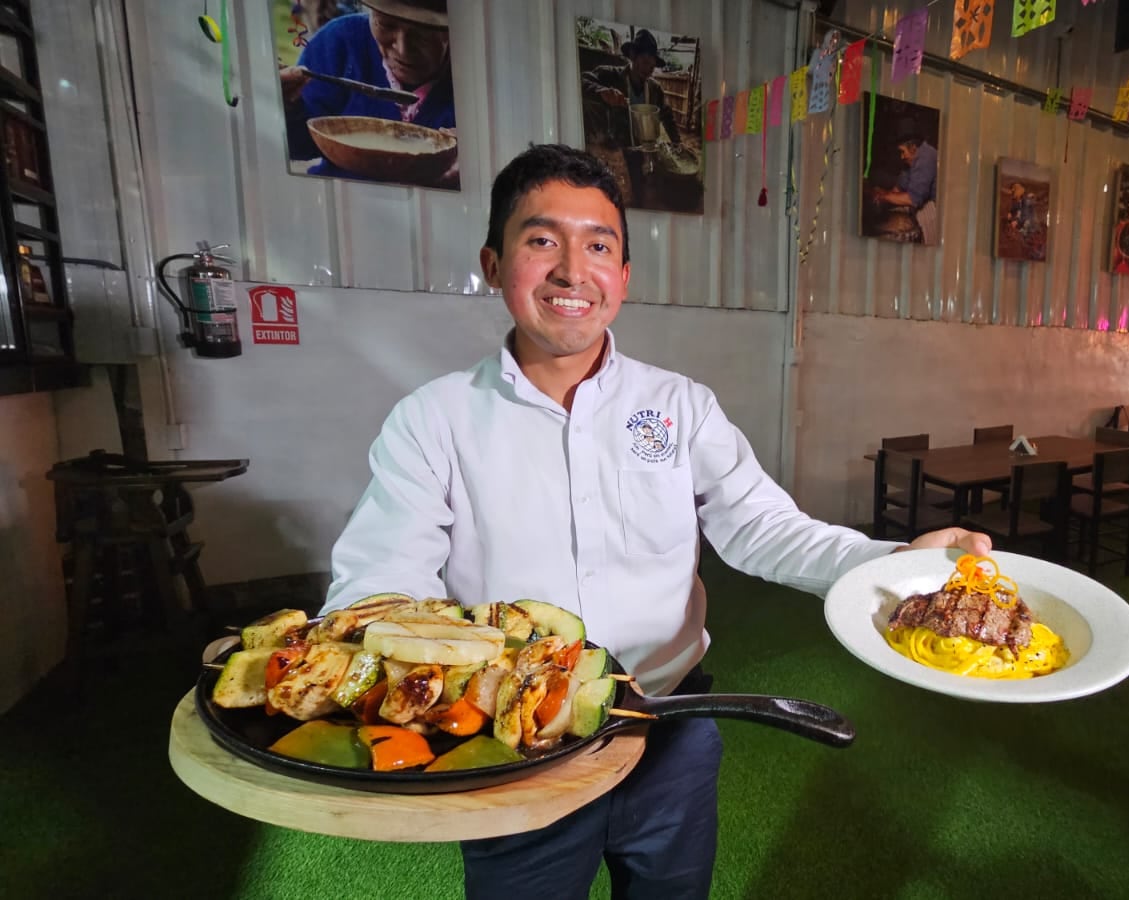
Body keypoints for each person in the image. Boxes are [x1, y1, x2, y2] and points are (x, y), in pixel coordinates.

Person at [322, 143, 990, 899]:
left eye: (598, 246)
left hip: (670, 730)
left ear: (624, 275)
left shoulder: (678, 406)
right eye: (541, 240)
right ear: (493, 264)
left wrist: (896, 561)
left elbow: (764, 526)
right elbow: (382, 574)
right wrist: (358, 664)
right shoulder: (435, 420)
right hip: (517, 741)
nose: (572, 271)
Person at [278, 0, 457, 187]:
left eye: (422, 33)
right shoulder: (340, 42)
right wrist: (286, 107)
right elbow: (300, 146)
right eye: (386, 25)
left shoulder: (473, 66)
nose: (402, 49)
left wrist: (473, 163)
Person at [581, 29, 684, 148]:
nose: (649, 70)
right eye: (645, 62)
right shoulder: (611, 76)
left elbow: (667, 117)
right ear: (632, 55)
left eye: (652, 67)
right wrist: (600, 91)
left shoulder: (655, 89)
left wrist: (677, 142)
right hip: (618, 150)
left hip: (646, 149)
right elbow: (581, 81)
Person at [870, 134, 939, 244]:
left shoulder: (926, 158)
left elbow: (913, 199)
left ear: (913, 148)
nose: (901, 156)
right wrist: (881, 194)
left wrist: (884, 196)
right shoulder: (910, 161)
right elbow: (897, 190)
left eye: (903, 152)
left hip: (934, 210)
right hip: (918, 207)